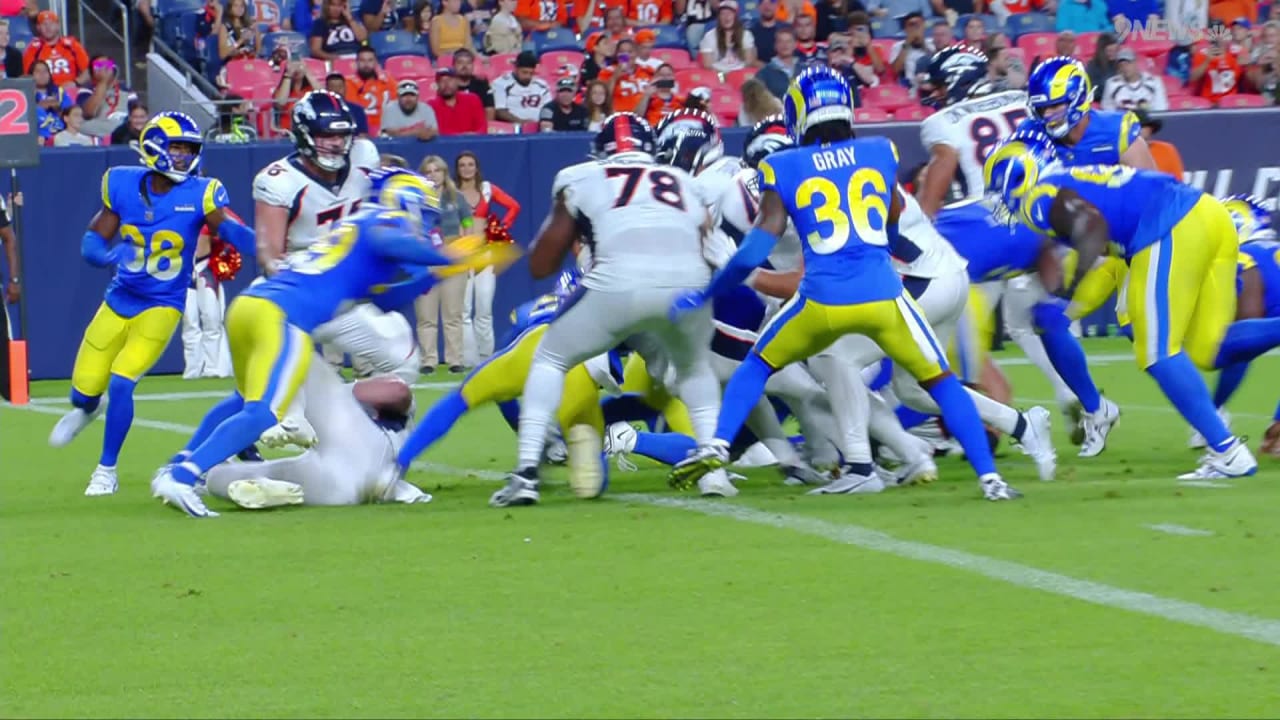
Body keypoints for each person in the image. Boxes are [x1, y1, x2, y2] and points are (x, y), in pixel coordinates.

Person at [667, 67, 1021, 502]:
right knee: (942, 381)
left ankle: (718, 446)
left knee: (757, 365)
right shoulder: (880, 150)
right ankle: (991, 480)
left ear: (799, 112)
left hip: (821, 299)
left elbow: (755, 251)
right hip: (885, 296)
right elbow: (892, 219)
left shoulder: (782, 165)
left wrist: (707, 291)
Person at [149, 169, 470, 518]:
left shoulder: (355, 230)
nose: (426, 226)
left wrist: (439, 270)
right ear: (407, 204)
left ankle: (179, 463)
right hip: (282, 317)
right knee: (262, 413)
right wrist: (447, 257)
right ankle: (182, 477)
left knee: (245, 401)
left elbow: (389, 296)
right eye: (424, 215)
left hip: (251, 305)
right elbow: (388, 241)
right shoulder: (382, 220)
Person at [488, 111, 731, 507]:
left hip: (617, 285)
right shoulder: (685, 181)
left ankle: (527, 473)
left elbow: (541, 265)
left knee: (550, 359)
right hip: (685, 287)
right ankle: (714, 469)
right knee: (692, 368)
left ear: (601, 152)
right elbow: (711, 248)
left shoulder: (581, 177)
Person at [985, 131, 1258, 481]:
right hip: (1209, 213)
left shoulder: (1038, 196)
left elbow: (1092, 227)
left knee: (1158, 352)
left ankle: (1227, 451)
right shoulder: (1066, 178)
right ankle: (1223, 441)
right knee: (1210, 344)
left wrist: (1067, 291)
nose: (1002, 198)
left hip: (1169, 224)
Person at [47, 111, 257, 498]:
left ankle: (105, 469)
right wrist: (108, 256)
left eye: (188, 150)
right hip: (119, 299)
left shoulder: (201, 191)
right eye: (177, 148)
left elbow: (225, 228)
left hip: (163, 304)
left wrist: (261, 244)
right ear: (155, 147)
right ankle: (87, 409)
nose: (184, 157)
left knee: (123, 382)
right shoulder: (122, 184)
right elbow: (93, 240)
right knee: (84, 392)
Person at [396, 274, 618, 501]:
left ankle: (397, 464)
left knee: (461, 398)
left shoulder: (532, 307)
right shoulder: (602, 308)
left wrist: (523, 425)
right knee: (590, 463)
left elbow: (504, 359)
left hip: (532, 347)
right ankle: (572, 445)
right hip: (581, 359)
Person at [253, 91, 394, 446]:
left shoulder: (364, 157)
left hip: (350, 283)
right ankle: (230, 448)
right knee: (271, 390)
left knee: (402, 359)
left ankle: (352, 417)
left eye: (339, 135)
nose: (334, 144)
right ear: (303, 136)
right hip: (303, 280)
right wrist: (303, 282)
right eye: (324, 135)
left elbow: (384, 197)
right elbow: (269, 255)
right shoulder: (278, 179)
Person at [1191, 194, 1279, 453]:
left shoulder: (1243, 257)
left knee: (1230, 343)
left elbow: (1247, 323)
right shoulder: (1268, 250)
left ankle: (1209, 417)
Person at [456, 151, 520, 363]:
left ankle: (485, 358)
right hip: (461, 255)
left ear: (476, 167)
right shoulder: (452, 191)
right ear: (457, 169)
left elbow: (513, 206)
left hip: (485, 254)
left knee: (483, 309)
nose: (466, 168)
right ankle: (467, 360)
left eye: (470, 164)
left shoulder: (487, 189)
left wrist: (500, 229)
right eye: (462, 165)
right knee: (463, 311)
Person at [415, 155, 473, 374]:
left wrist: (465, 245)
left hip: (452, 259)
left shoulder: (455, 197)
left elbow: (467, 221)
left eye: (436, 170)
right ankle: (428, 360)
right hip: (426, 261)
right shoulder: (416, 199)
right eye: (428, 172)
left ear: (444, 173)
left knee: (453, 314)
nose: (433, 175)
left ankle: (454, 359)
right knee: (426, 315)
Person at [181, 216, 238, 379]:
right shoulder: (176, 219)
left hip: (206, 270)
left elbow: (235, 227)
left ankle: (214, 367)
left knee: (212, 318)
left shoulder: (210, 218)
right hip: (184, 273)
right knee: (189, 320)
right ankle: (192, 369)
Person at [23, 10, 90, 87]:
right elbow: (27, 76)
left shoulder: (72, 45)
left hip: (70, 90)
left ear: (58, 25)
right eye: (44, 24)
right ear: (38, 27)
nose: (48, 27)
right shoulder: (33, 48)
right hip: (44, 91)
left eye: (51, 23)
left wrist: (75, 83)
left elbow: (88, 70)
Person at [79, 56, 138, 138]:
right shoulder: (86, 89)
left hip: (123, 127)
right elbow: (88, 113)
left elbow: (136, 113)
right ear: (92, 72)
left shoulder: (126, 90)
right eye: (98, 65)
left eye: (107, 64)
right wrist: (103, 82)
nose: (104, 67)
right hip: (98, 125)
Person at [345, 46, 395, 135]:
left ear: (376, 62)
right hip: (362, 128)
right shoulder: (349, 84)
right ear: (356, 63)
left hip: (388, 126)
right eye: (362, 60)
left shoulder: (388, 81)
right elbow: (354, 113)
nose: (366, 64)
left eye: (370, 60)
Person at [493, 51, 552, 124]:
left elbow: (550, 108)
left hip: (540, 126)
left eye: (531, 73)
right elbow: (500, 111)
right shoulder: (501, 83)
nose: (528, 76)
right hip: (513, 127)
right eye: (524, 72)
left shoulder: (542, 85)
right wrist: (522, 123)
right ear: (516, 68)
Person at [700, 0, 757, 72]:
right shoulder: (709, 36)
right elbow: (707, 65)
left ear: (736, 16)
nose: (726, 17)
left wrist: (735, 77)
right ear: (719, 17)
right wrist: (723, 76)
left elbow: (748, 62)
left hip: (740, 75)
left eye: (730, 13)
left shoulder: (746, 35)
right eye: (723, 14)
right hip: (717, 76)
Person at [428, 67, 488, 134]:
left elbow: (482, 127)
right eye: (442, 81)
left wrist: (473, 136)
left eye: (450, 80)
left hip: (471, 142)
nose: (446, 84)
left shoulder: (472, 99)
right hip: (446, 143)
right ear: (437, 85)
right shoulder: (431, 106)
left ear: (457, 82)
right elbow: (433, 132)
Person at [1131, 108, 1183, 178]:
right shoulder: (1119, 153)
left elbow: (1177, 181)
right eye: (1133, 127)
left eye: (1142, 126)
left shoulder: (1166, 150)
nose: (1138, 130)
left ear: (1150, 129)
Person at [452, 49, 495, 122]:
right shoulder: (448, 85)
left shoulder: (482, 84)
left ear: (473, 66)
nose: (464, 66)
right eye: (460, 63)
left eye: (468, 63)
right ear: (453, 65)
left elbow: (489, 110)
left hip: (478, 128)